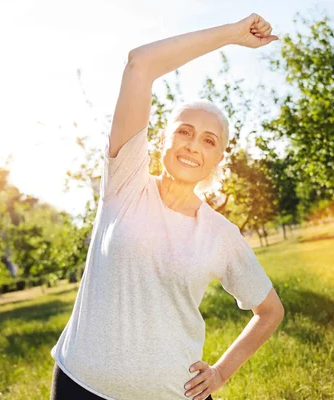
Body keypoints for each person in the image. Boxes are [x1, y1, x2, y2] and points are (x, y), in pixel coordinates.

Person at [50, 13, 285, 400]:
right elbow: (139, 64)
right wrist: (231, 34)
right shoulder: (125, 184)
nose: (194, 145)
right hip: (82, 386)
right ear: (163, 141)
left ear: (217, 161)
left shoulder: (220, 235)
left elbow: (270, 311)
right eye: (185, 132)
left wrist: (222, 372)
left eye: (209, 141)